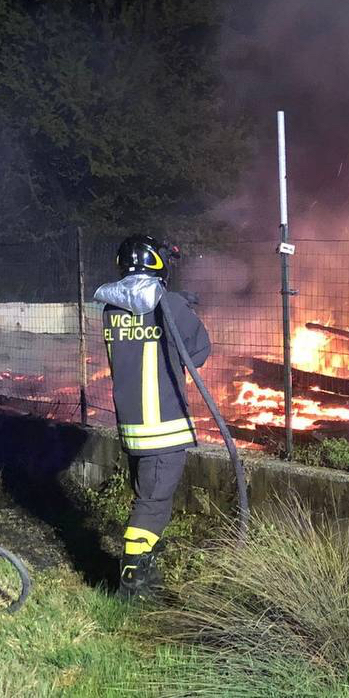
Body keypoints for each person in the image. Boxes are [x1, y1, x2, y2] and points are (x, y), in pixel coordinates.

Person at [93, 234, 211, 599]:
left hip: (133, 426)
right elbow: (200, 353)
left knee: (147, 496)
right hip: (164, 427)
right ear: (156, 264)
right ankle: (133, 582)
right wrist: (186, 311)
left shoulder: (111, 309)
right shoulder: (170, 306)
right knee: (153, 504)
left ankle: (147, 568)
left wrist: (176, 308)